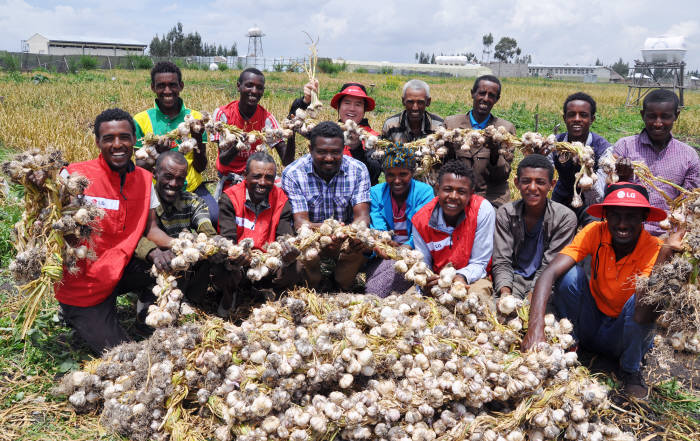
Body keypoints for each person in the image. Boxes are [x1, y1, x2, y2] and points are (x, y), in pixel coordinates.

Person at [522, 182, 685, 398]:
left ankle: (630, 370)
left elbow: (643, 312)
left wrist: (665, 255)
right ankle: (570, 343)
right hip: (591, 323)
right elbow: (549, 273)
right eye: (615, 215)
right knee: (569, 276)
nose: (622, 224)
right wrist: (535, 328)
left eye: (631, 217)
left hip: (623, 335)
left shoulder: (654, 248)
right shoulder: (594, 232)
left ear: (643, 218)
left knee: (643, 296)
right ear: (605, 215)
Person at [53, 108, 161, 354]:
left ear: (135, 140)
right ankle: (75, 312)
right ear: (97, 142)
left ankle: (144, 313)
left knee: (171, 265)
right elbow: (49, 220)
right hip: (84, 285)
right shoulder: (75, 176)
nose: (117, 144)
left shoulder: (145, 179)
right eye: (108, 138)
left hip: (118, 269)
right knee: (124, 355)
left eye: (124, 137)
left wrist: (186, 248)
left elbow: (152, 229)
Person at [282, 121, 371, 290]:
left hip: (345, 239)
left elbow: (362, 217)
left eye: (335, 152)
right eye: (322, 152)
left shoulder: (358, 170)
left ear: (343, 149)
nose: (329, 158)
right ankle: (315, 285)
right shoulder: (294, 173)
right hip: (311, 240)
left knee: (361, 245)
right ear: (310, 149)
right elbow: (301, 223)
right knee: (309, 255)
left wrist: (345, 235)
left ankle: (341, 286)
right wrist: (327, 233)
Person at [133, 61, 218, 225]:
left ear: (181, 86)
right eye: (161, 86)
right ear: (153, 87)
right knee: (145, 224)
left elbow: (201, 167)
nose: (167, 91)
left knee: (214, 217)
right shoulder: (141, 120)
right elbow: (140, 167)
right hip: (157, 190)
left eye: (172, 85)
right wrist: (158, 154)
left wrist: (198, 139)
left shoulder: (195, 118)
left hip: (191, 187)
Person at [216, 152, 301, 313]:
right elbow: (228, 239)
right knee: (220, 258)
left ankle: (270, 290)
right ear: (245, 176)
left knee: (296, 263)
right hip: (239, 262)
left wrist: (288, 249)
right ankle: (231, 294)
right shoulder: (230, 198)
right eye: (257, 176)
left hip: (267, 262)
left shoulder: (281, 199)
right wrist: (238, 256)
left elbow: (284, 235)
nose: (262, 182)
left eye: (269, 177)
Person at [134, 151, 217, 306]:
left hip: (182, 263)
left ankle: (190, 302)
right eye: (168, 176)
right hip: (154, 263)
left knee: (205, 255)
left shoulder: (192, 201)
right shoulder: (143, 201)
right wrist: (153, 252)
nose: (173, 183)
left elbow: (205, 225)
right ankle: (146, 296)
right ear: (155, 174)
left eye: (180, 178)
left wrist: (212, 240)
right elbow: (134, 238)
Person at [614, 89, 700, 236]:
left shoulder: (688, 156)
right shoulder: (624, 147)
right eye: (652, 117)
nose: (658, 123)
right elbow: (609, 193)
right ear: (643, 115)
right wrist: (622, 178)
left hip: (666, 232)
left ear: (676, 116)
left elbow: (689, 203)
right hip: (626, 230)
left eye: (665, 117)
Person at [492, 154, 577, 299]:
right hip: (513, 280)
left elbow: (550, 267)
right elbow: (502, 260)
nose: (532, 188)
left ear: (552, 184)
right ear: (517, 183)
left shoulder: (564, 218)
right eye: (526, 181)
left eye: (540, 182)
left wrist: (532, 300)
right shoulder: (505, 213)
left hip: (547, 284)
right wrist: (505, 295)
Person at [411, 160, 495, 298]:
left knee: (476, 301)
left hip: (473, 279)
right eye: (447, 189)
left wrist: (460, 277)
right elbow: (423, 264)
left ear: (471, 193)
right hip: (438, 280)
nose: (453, 197)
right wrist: (427, 281)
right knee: (410, 304)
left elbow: (480, 262)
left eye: (461, 192)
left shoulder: (482, 210)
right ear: (437, 189)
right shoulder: (420, 220)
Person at [365, 144, 434, 297]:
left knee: (374, 290)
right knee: (375, 280)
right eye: (390, 175)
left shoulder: (424, 192)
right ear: (384, 174)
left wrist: (406, 248)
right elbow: (378, 227)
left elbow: (421, 228)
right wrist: (384, 242)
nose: (397, 180)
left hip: (414, 254)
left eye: (403, 174)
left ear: (413, 173)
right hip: (386, 252)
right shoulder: (376, 192)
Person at [213, 68, 292, 196]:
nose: (254, 91)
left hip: (259, 178)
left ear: (263, 91)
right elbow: (223, 160)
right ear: (239, 86)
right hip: (231, 177)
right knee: (221, 213)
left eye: (259, 88)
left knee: (287, 197)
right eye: (249, 86)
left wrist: (291, 135)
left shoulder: (267, 119)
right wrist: (238, 146)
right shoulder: (223, 115)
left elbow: (286, 161)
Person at [289, 81, 382, 185]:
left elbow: (374, 173)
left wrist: (357, 148)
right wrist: (305, 101)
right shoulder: (327, 132)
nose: (352, 108)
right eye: (347, 103)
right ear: (338, 106)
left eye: (358, 104)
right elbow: (292, 121)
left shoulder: (374, 138)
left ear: (364, 110)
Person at [444, 75, 516, 208]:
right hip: (457, 194)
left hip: (492, 197)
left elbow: (502, 175)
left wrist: (495, 153)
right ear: (472, 93)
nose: (485, 99)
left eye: (491, 95)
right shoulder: (451, 124)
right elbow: (442, 167)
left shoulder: (505, 130)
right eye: (482, 93)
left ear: (497, 99)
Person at [552, 92, 611, 225]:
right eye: (571, 114)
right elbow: (544, 174)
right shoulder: (555, 144)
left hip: (590, 203)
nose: (577, 119)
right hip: (561, 199)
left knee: (594, 225)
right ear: (564, 118)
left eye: (583, 115)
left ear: (592, 119)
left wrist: (588, 171)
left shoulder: (603, 148)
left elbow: (599, 195)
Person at [382, 79, 444, 143]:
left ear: (428, 102)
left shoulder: (438, 126)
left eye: (420, 102)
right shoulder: (390, 125)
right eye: (410, 102)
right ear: (403, 101)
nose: (415, 108)